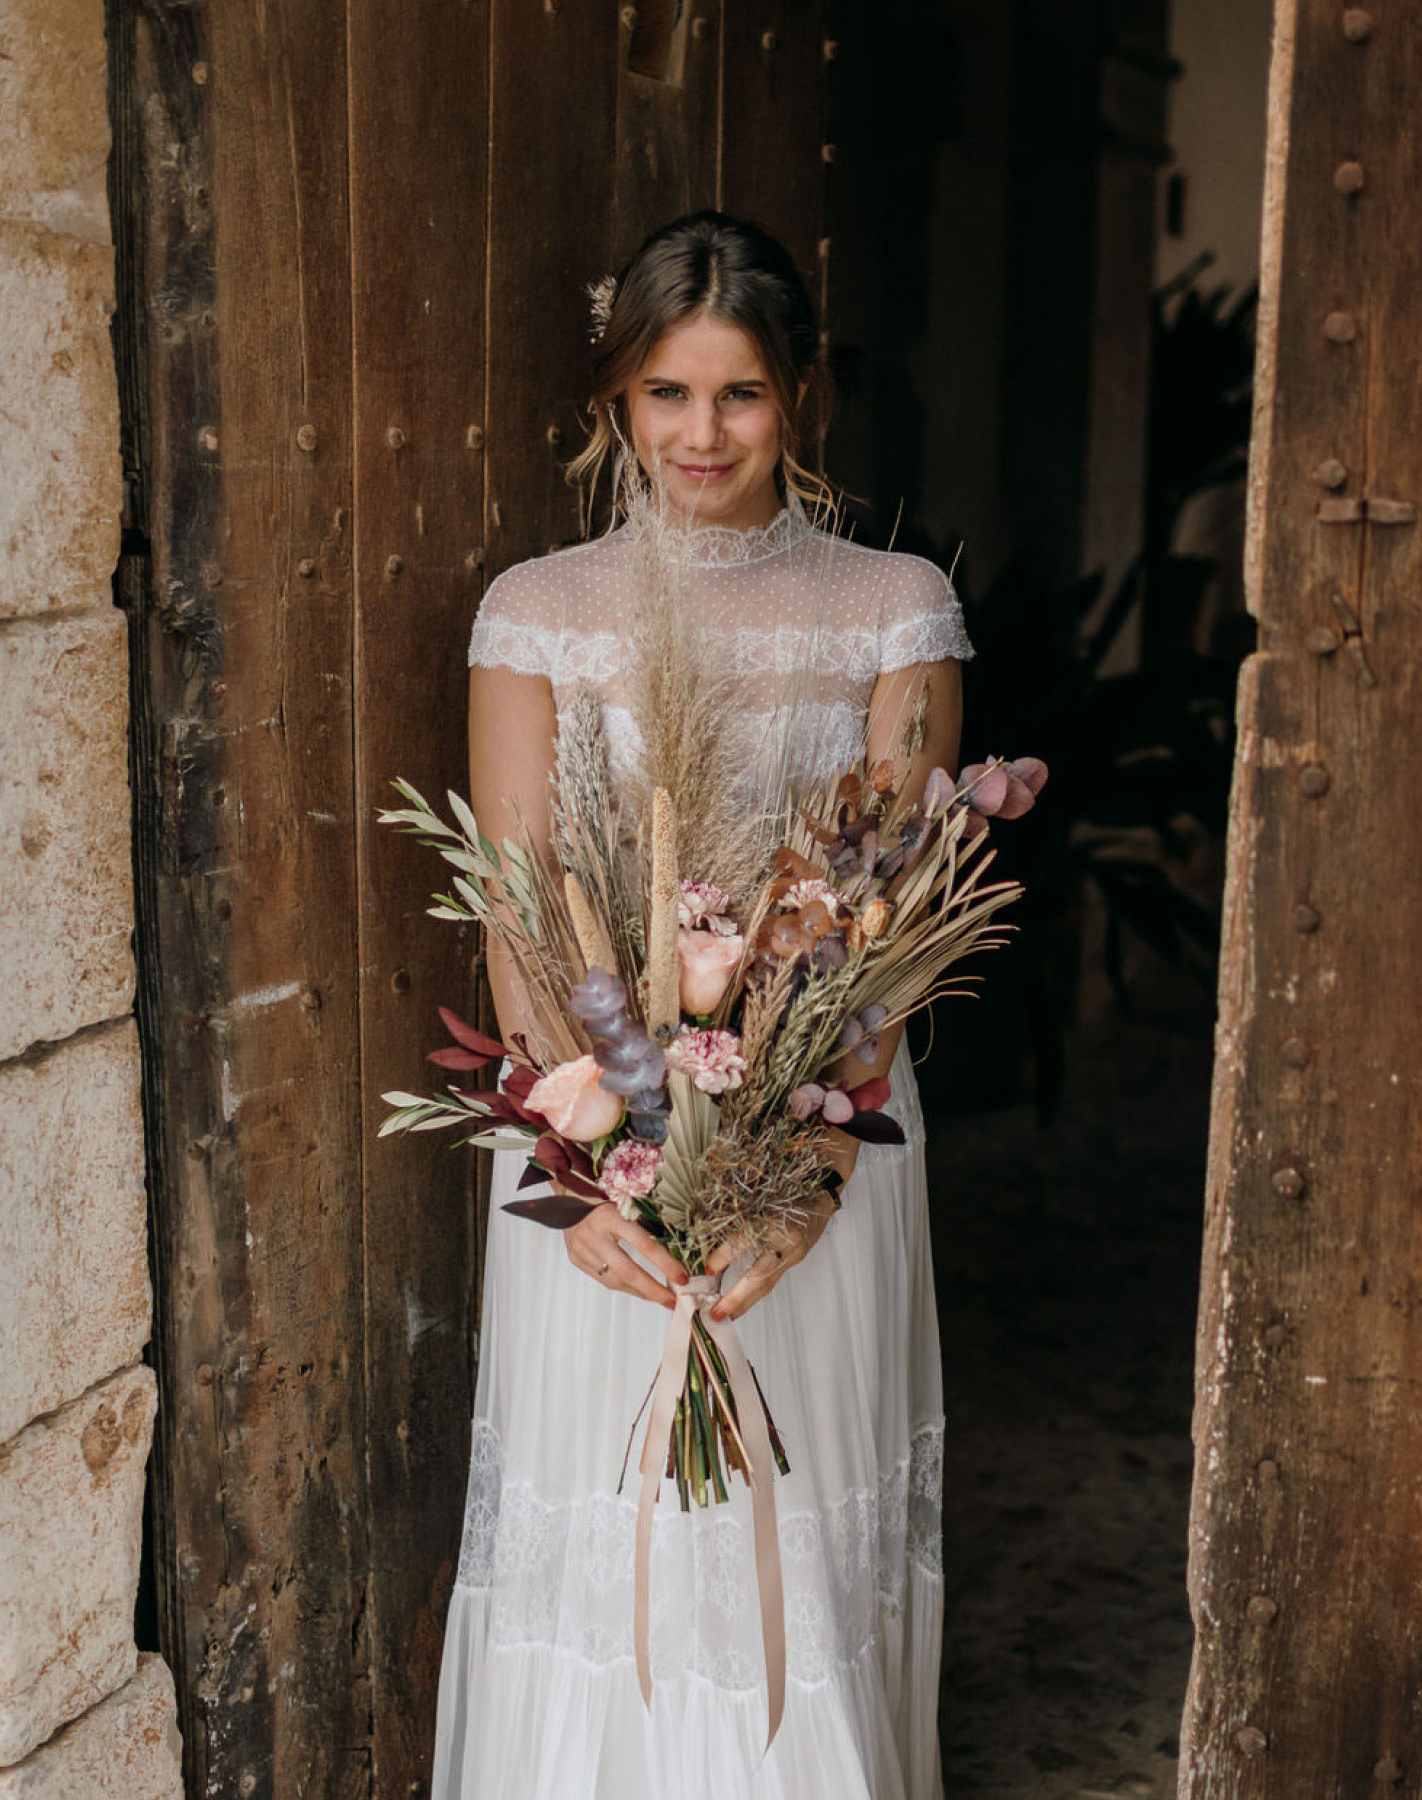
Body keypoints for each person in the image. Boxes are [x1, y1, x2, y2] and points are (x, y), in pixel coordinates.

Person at [432, 210, 975, 1800]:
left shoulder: (895, 607)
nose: (702, 435)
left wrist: (803, 1182)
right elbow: (520, 913)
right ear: (617, 396)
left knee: (787, 1525)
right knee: (609, 1529)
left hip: (821, 1117)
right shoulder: (538, 607)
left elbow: (884, 921)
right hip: (592, 1128)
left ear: (800, 393)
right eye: (668, 394)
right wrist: (572, 1159)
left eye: (739, 393)